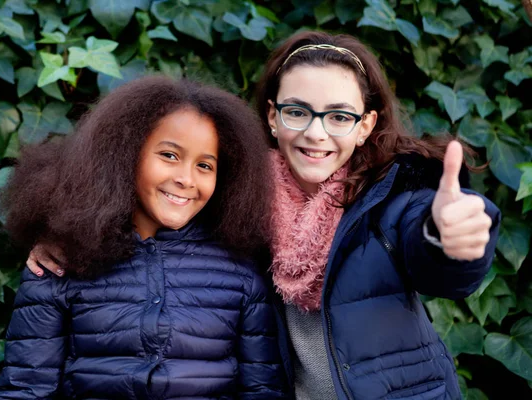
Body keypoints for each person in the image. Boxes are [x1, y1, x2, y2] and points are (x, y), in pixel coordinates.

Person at [27, 32, 501, 400]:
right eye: (299, 111)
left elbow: (435, 257)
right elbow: (133, 201)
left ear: (366, 126)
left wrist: (449, 238)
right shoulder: (238, 199)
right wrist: (63, 235)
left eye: (339, 116)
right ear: (272, 117)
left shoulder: (393, 199)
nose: (316, 133)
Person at [0, 76, 288, 399]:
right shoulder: (61, 261)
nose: (186, 179)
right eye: (169, 156)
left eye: (205, 165)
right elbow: (24, 390)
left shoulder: (241, 276)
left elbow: (264, 392)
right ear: (127, 153)